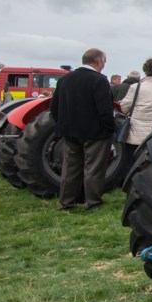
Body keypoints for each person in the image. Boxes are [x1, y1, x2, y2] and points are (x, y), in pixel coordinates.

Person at [49, 48, 114, 211]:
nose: (104, 65)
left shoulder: (65, 80)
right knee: (93, 169)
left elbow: (54, 108)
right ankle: (93, 203)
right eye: (104, 62)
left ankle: (67, 202)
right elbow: (105, 110)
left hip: (70, 132)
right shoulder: (99, 80)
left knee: (70, 168)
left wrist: (63, 125)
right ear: (99, 61)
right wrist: (109, 129)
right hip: (95, 133)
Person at [118, 57, 152, 160]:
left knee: (131, 164)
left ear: (146, 70)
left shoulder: (136, 87)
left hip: (136, 135)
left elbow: (124, 108)